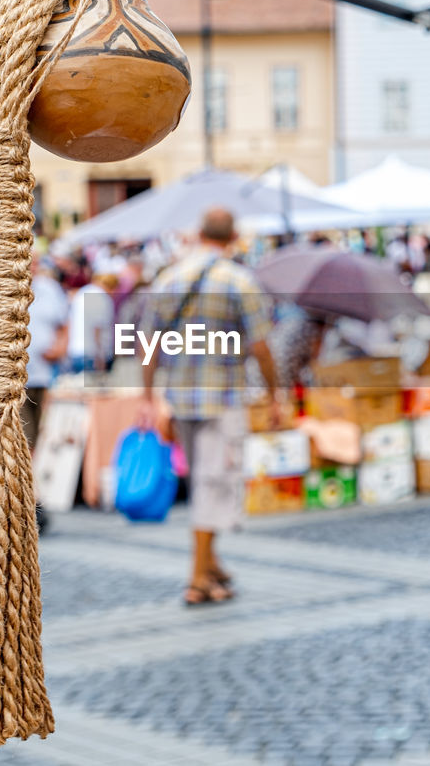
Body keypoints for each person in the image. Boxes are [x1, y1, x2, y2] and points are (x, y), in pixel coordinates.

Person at [138, 208, 280, 606]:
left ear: (199, 234)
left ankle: (211, 564)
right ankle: (198, 578)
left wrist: (148, 397)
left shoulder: (170, 277)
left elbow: (146, 344)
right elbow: (261, 347)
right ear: (233, 237)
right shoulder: (239, 280)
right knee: (213, 483)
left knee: (204, 477)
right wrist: (274, 394)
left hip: (181, 397)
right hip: (223, 397)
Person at [22, 251, 69, 451]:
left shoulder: (50, 289)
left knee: (47, 433)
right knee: (24, 436)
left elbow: (64, 325)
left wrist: (59, 348)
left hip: (48, 375)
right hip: (19, 379)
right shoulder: (6, 292)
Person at [67, 273, 118, 373]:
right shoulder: (100, 297)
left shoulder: (82, 293)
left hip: (75, 351)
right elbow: (97, 329)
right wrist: (100, 360)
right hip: (91, 355)